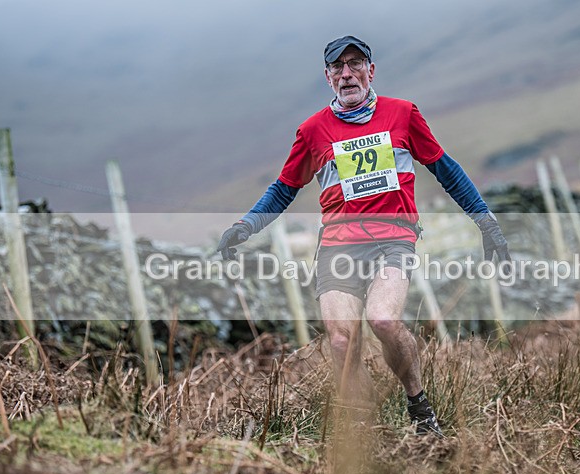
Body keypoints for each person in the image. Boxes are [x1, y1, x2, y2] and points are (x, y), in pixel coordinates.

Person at [217, 36, 511, 437]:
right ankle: (360, 427)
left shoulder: (403, 114)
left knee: (384, 320)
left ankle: (419, 406)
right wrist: (244, 226)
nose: (347, 73)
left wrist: (487, 223)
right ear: (328, 77)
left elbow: (447, 169)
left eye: (355, 64)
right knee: (341, 340)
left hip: (393, 238)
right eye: (337, 67)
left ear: (371, 71)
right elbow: (283, 189)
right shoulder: (312, 130)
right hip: (338, 244)